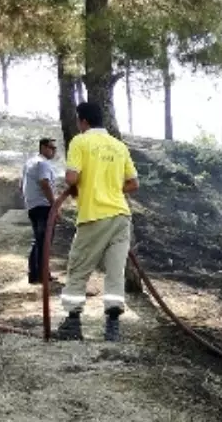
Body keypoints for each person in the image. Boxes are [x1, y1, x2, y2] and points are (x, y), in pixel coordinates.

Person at [56, 102, 139, 342]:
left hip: (94, 215)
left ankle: (73, 323)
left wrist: (81, 187)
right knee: (115, 271)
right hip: (121, 217)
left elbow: (72, 177)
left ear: (83, 121)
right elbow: (133, 183)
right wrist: (112, 188)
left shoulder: (80, 142)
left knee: (78, 267)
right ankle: (112, 329)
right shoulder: (118, 146)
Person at [20, 137, 58, 285]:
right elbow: (45, 183)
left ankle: (34, 274)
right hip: (43, 206)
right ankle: (43, 275)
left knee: (38, 239)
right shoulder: (43, 163)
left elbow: (20, 186)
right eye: (51, 148)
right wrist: (54, 206)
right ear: (42, 147)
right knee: (45, 240)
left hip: (32, 206)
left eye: (55, 148)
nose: (54, 151)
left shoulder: (29, 163)